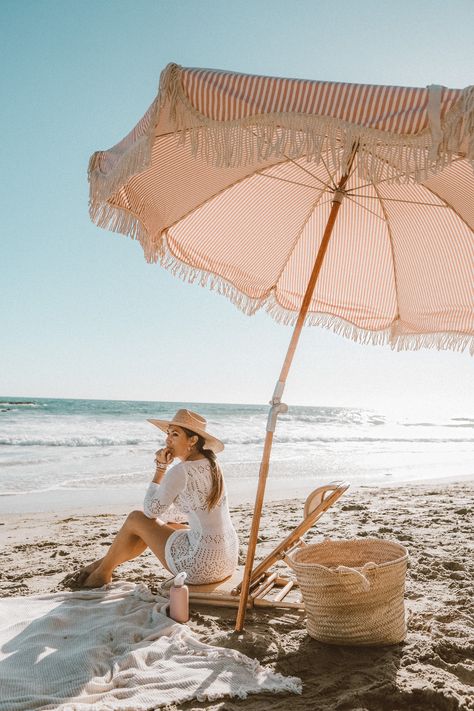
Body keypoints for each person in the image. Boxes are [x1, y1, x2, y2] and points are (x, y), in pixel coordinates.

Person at [63, 409, 239, 588]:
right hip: (228, 559)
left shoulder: (180, 472)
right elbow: (193, 509)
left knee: (136, 518)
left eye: (175, 434)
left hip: (201, 567)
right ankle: (102, 564)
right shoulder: (213, 464)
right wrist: (160, 519)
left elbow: (150, 510)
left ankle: (102, 572)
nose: (168, 439)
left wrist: (160, 469)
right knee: (165, 525)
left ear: (193, 441)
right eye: (168, 433)